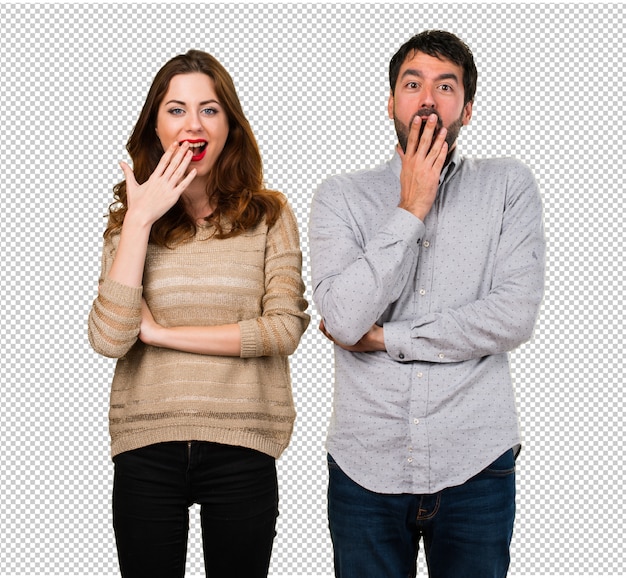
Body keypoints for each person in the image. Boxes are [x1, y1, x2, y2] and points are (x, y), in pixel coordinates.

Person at [309, 30, 545, 577]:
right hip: (365, 466)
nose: (428, 99)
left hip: (476, 462)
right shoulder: (340, 196)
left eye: (446, 86)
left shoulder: (509, 186)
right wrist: (411, 207)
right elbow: (342, 318)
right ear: (391, 101)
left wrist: (389, 337)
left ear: (467, 108)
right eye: (412, 84)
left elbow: (513, 314)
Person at [87, 50, 309, 578]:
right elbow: (111, 337)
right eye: (176, 110)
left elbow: (282, 329)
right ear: (155, 126)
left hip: (243, 441)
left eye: (209, 110)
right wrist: (140, 220)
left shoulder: (269, 215)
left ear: (229, 126)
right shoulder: (129, 226)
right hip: (147, 445)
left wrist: (161, 334)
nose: (193, 124)